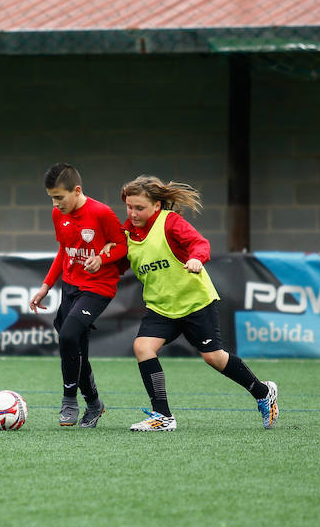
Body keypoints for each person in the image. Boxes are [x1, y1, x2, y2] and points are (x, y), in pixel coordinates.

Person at [119, 174, 278, 431]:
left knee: (214, 357)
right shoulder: (128, 233)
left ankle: (262, 392)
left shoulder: (170, 222)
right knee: (143, 348)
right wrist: (100, 261)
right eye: (129, 206)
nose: (133, 212)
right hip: (161, 306)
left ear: (157, 206)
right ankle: (163, 416)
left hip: (195, 302)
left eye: (140, 207)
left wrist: (197, 258)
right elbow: (120, 261)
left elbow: (199, 243)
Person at [29, 163, 127, 428]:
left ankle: (69, 399)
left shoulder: (101, 213)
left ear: (77, 190)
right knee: (75, 347)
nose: (56, 204)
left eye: (59, 197)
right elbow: (64, 251)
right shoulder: (57, 215)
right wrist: (46, 286)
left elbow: (123, 246)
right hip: (71, 286)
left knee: (68, 335)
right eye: (51, 198)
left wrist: (102, 257)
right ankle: (94, 404)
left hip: (98, 288)